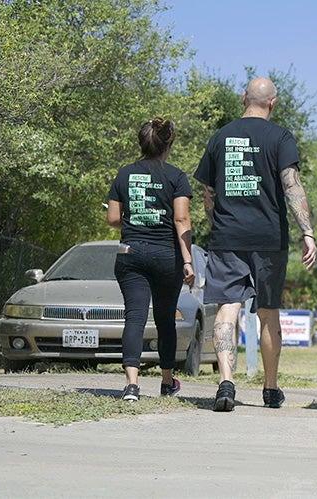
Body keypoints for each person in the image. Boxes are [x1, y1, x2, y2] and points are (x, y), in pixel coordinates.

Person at [194, 77, 317, 412]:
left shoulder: (220, 137)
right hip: (268, 238)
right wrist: (307, 231)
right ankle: (270, 388)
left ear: (242, 98)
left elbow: (208, 193)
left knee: (226, 309)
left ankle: (225, 383)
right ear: (272, 103)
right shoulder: (280, 138)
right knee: (268, 313)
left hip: (227, 237)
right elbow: (292, 186)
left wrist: (218, 219)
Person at [107, 117, 195, 401]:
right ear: (168, 144)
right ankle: (167, 381)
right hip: (165, 255)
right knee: (164, 318)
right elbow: (181, 219)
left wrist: (136, 222)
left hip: (130, 253)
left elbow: (112, 219)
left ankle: (132, 385)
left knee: (134, 317)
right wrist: (188, 261)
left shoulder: (124, 174)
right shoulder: (176, 177)